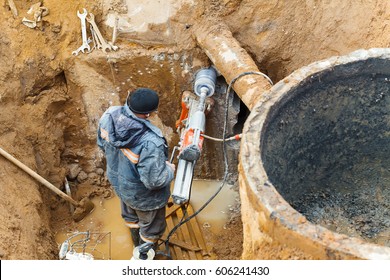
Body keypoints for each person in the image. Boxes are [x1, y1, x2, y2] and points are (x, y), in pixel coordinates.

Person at [97, 88, 175, 251]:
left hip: (120, 185)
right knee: (151, 229)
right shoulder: (150, 142)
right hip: (145, 197)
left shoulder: (109, 116)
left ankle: (135, 243)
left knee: (131, 217)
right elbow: (155, 181)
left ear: (128, 100)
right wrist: (170, 170)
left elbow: (101, 145)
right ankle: (145, 256)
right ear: (149, 113)